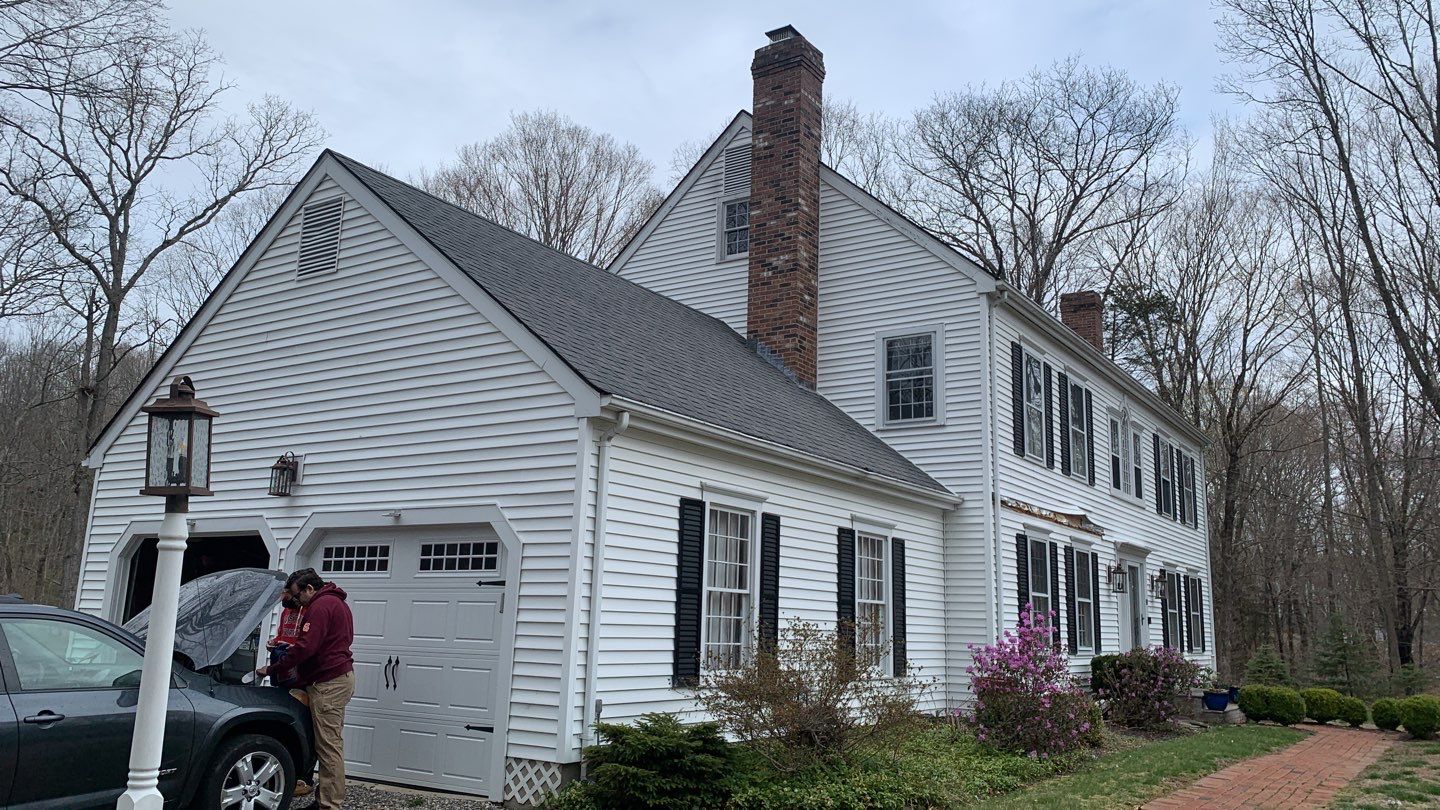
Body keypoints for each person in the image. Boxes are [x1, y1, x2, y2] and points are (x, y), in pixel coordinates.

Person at [276, 568, 354, 810]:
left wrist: (273, 669)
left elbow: (307, 647)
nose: (297, 602)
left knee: (329, 747)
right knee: (328, 743)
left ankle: (330, 805)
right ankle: (324, 799)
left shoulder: (321, 606)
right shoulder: (335, 603)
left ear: (310, 589)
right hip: (334, 679)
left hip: (328, 684)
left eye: (298, 596)